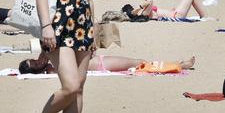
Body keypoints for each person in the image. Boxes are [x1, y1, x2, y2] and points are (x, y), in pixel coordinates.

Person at [19, 51, 196, 74]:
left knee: (140, 61)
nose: (37, 61)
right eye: (33, 64)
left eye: (33, 60)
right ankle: (180, 64)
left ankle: (178, 62)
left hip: (99, 60)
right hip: (102, 65)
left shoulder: (50, 59)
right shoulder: (51, 71)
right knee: (141, 64)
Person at [123, 0, 207, 20]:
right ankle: (204, 17)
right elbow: (150, 1)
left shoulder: (143, 12)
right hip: (176, 15)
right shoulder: (143, 13)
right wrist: (139, 7)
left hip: (174, 13)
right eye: (132, 6)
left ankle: (204, 17)